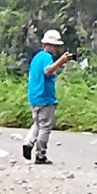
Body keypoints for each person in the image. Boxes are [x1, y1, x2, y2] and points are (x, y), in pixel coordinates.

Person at [22, 29, 73, 164]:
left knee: (38, 123)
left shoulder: (37, 57)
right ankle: (40, 155)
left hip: (34, 96)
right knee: (45, 126)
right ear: (48, 45)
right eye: (55, 45)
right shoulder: (47, 57)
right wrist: (61, 60)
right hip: (44, 97)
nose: (56, 49)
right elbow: (47, 71)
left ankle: (28, 142)